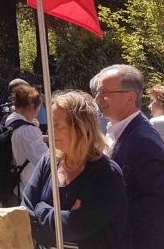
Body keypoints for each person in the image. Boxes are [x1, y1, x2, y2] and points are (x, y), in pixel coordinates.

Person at [22, 90, 128, 249]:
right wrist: (60, 218)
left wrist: (40, 208)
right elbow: (25, 213)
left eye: (57, 125)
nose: (50, 131)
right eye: (50, 124)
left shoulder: (106, 174)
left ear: (80, 128)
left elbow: (76, 227)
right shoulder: (48, 162)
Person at [94, 64, 164, 249]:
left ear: (130, 97)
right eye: (98, 92)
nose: (97, 98)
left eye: (104, 92)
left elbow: (154, 211)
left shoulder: (144, 141)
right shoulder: (116, 130)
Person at [4, 84, 48, 195]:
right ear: (31, 105)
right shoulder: (28, 131)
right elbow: (45, 161)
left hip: (15, 185)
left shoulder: (9, 121)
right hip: (27, 189)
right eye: (37, 107)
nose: (37, 112)